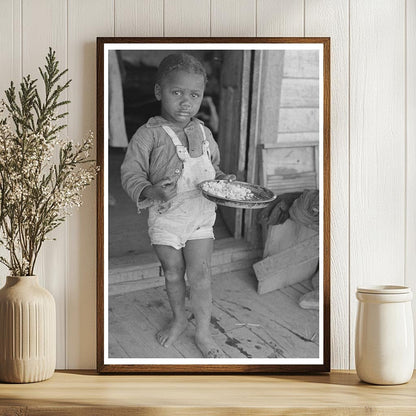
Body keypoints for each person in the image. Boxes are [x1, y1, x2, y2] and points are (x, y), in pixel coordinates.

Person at [120, 53, 235, 358]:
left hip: (199, 217)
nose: (186, 102)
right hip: (166, 218)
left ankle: (203, 332)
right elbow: (130, 174)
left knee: (200, 275)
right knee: (173, 273)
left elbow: (214, 169)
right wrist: (150, 190)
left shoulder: (205, 133)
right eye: (177, 93)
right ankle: (180, 319)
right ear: (159, 92)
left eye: (194, 95)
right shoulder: (148, 135)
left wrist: (225, 181)